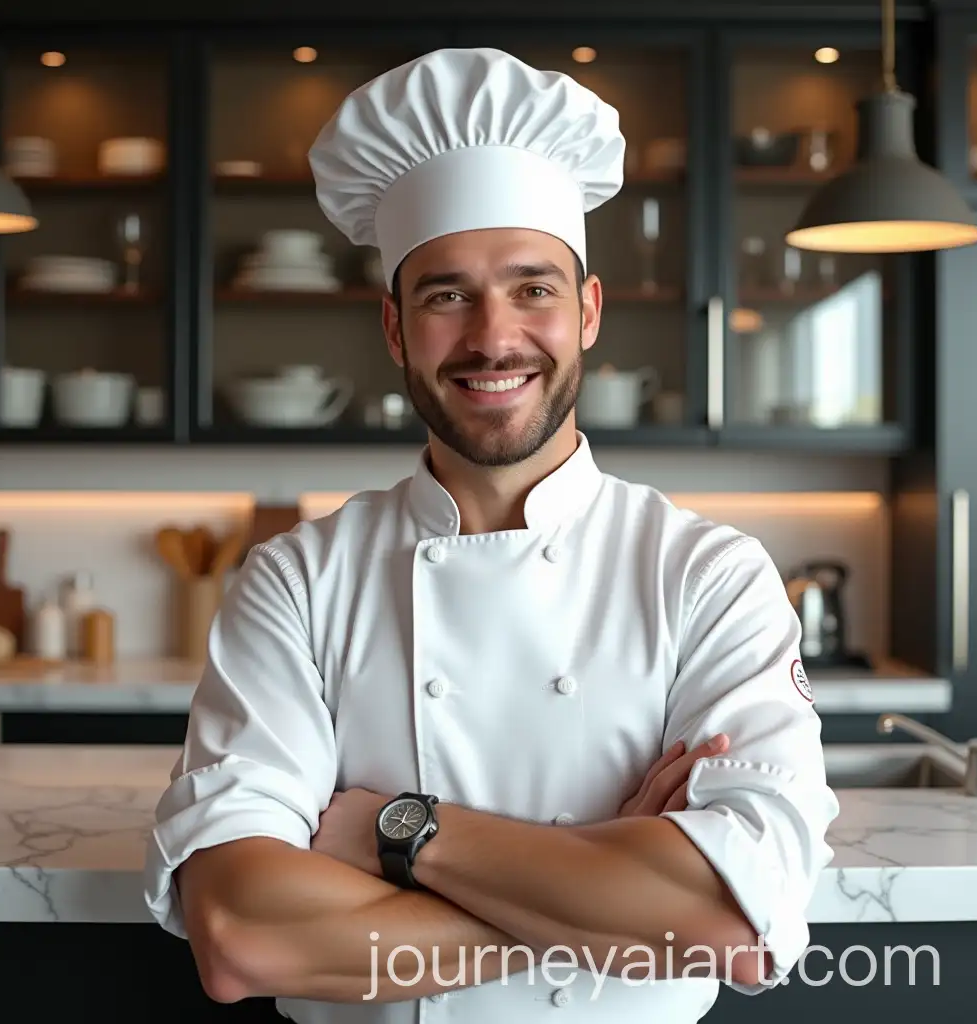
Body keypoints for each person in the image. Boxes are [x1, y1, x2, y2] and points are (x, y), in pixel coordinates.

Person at [143, 47, 839, 1023]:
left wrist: (405, 834)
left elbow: (731, 922)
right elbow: (240, 935)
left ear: (588, 311)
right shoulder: (297, 579)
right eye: (444, 294)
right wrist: (602, 889)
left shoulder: (705, 574)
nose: (491, 335)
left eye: (533, 287)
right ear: (393, 329)